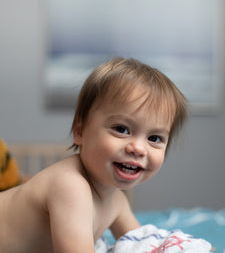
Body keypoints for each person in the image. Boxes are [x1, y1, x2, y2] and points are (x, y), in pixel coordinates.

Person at [0, 57, 187, 253]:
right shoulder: (70, 186)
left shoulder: (117, 201)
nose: (138, 148)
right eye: (122, 129)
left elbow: (144, 246)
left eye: (155, 138)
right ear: (80, 131)